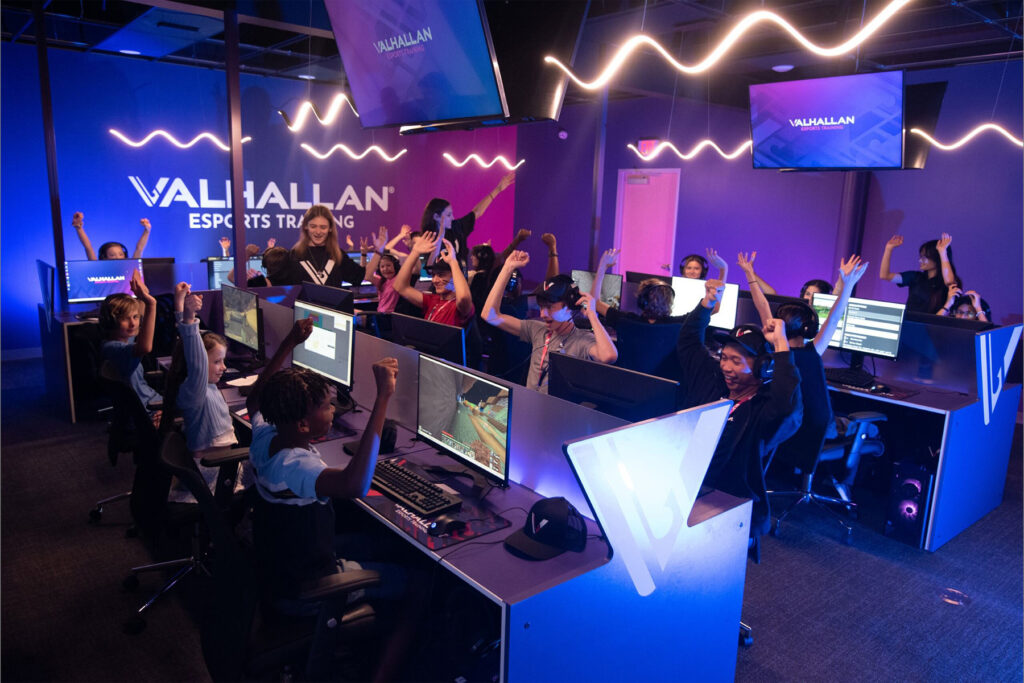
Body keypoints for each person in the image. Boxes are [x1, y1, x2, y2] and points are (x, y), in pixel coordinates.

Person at [244, 336, 417, 682]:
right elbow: (356, 484)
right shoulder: (296, 466)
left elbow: (254, 398)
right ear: (303, 425)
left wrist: (288, 343)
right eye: (326, 406)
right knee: (420, 581)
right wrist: (383, 396)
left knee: (382, 543)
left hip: (282, 565)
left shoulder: (265, 434)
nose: (335, 410)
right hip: (306, 587)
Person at [676, 279, 802, 539]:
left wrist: (781, 346)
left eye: (736, 361)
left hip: (725, 499)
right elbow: (689, 343)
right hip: (683, 483)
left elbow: (787, 406)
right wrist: (707, 304)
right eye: (724, 357)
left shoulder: (761, 409)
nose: (726, 367)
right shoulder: (713, 383)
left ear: (760, 368)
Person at [482, 250, 617, 393]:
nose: (542, 314)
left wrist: (592, 315)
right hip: (530, 407)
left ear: (570, 306)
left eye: (550, 308)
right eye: (541, 307)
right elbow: (489, 315)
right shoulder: (537, 329)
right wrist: (508, 267)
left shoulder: (581, 340)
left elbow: (608, 355)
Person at [739, 251, 868, 356]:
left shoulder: (777, 347)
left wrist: (750, 275)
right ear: (809, 329)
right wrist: (849, 284)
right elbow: (834, 318)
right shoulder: (815, 350)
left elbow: (762, 306)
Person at [99, 269, 161, 420]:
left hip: (150, 402)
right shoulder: (115, 349)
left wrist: (141, 295)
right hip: (150, 410)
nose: (133, 323)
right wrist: (151, 303)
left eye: (135, 317)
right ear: (112, 320)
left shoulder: (121, 340)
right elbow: (145, 347)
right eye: (126, 319)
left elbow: (138, 314)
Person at [420, 171, 516, 266]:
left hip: (460, 280)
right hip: (441, 281)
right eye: (449, 215)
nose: (453, 218)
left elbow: (476, 212)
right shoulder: (426, 239)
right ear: (436, 216)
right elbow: (427, 269)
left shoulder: (456, 228)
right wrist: (440, 237)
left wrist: (498, 189)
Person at [391, 233, 474, 327]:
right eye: (433, 275)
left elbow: (463, 297)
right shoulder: (432, 300)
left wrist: (453, 262)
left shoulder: (460, 306)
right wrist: (415, 252)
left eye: (441, 275)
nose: (435, 280)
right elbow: (400, 287)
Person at [289, 205, 381, 287]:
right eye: (313, 226)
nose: (318, 232)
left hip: (333, 307)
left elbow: (362, 276)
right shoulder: (294, 256)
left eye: (323, 227)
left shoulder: (338, 255)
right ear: (305, 226)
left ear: (330, 228)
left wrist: (379, 250)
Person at [590, 248, 682, 324]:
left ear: (642, 301)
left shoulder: (626, 320)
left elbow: (594, 302)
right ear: (670, 303)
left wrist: (603, 266)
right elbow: (696, 315)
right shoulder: (677, 323)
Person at [879, 232, 961, 314]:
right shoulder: (915, 277)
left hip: (932, 324)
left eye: (925, 257)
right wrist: (888, 249)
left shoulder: (947, 281)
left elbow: (950, 283)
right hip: (909, 323)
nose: (920, 260)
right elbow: (885, 275)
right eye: (920, 257)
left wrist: (942, 252)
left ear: (937, 259)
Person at [72, 211, 151, 260]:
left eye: (121, 254)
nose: (118, 258)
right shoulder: (98, 269)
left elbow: (139, 249)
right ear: (104, 257)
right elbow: (88, 247)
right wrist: (79, 228)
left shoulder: (131, 268)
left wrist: (147, 230)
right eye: (112, 255)